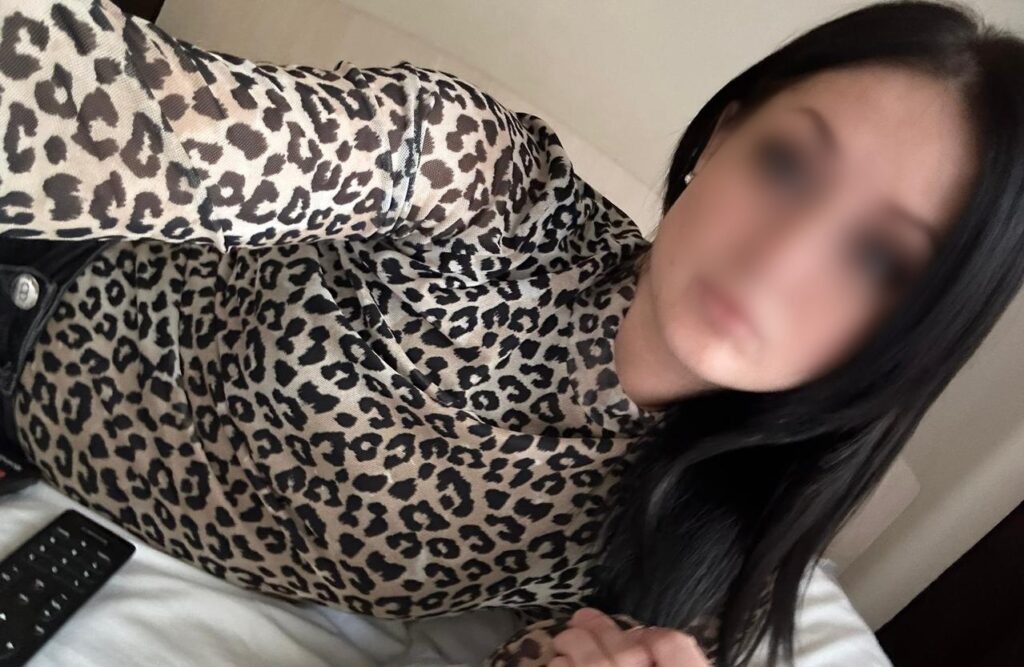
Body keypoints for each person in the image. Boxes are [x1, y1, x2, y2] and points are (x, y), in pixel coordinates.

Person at [0, 0, 1021, 665]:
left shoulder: (692, 555)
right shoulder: (490, 183)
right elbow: (158, 120)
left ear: (912, 332)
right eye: (788, 165)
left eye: (877, 259)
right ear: (721, 138)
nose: (782, 255)